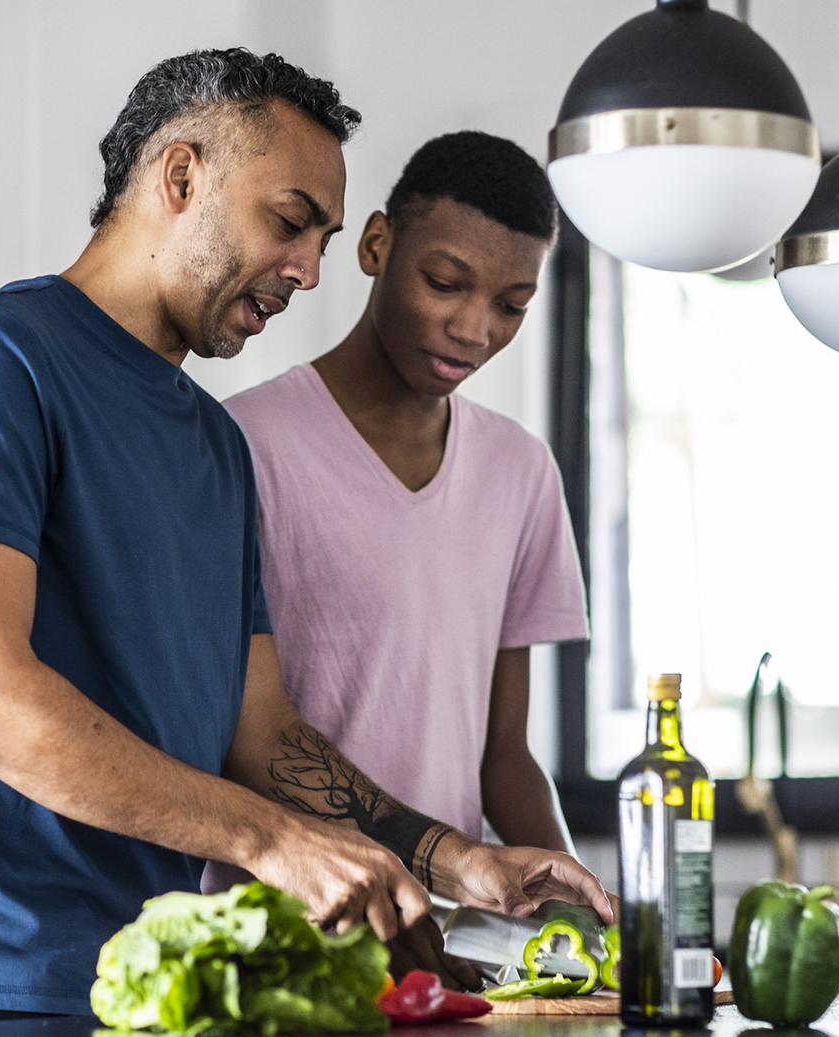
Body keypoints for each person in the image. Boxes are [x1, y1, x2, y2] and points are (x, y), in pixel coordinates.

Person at [0, 50, 611, 1030]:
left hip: (155, 980)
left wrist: (454, 859)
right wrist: (277, 844)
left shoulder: (213, 444)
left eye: (323, 238)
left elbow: (265, 736)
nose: (309, 270)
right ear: (181, 176)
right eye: (289, 223)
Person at [220, 132, 588, 883]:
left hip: (449, 942)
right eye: (447, 283)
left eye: (511, 305)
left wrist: (583, 909)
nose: (475, 330)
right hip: (282, 932)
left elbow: (504, 756)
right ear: (376, 244)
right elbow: (236, 734)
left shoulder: (521, 472)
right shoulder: (240, 444)